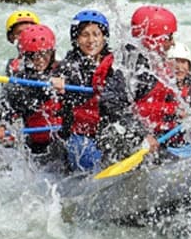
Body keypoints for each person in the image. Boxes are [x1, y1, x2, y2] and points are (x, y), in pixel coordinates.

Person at [53, 10, 144, 172]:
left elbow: (123, 101)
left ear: (104, 37)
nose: (91, 40)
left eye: (96, 34)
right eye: (84, 35)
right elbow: (60, 78)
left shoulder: (116, 64)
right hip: (80, 136)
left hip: (108, 130)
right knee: (85, 154)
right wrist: (57, 81)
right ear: (76, 39)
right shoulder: (68, 66)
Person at [0, 23, 64, 163]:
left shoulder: (66, 71)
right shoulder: (19, 85)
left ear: (52, 52)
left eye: (45, 54)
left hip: (65, 139)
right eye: (33, 55)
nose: (40, 60)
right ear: (25, 56)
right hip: (37, 148)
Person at [122, 5, 182, 138]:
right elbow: (117, 106)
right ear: (155, 38)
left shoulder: (155, 62)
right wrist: (144, 135)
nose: (173, 43)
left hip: (166, 133)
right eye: (169, 37)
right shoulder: (137, 70)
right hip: (146, 139)